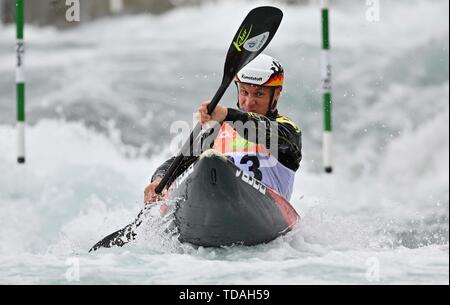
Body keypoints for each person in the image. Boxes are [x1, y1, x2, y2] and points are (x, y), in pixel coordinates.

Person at [144, 54, 302, 204]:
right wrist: (158, 180)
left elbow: (262, 130)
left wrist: (227, 114)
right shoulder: (219, 129)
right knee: (208, 159)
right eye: (244, 92)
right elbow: (178, 163)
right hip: (214, 201)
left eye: (259, 94)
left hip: (265, 211)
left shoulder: (288, 130)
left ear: (276, 94)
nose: (249, 102)